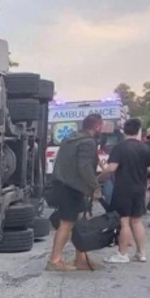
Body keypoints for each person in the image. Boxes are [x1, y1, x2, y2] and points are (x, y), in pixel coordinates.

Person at [46, 114, 104, 272]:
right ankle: (55, 260)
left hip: (63, 185)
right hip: (72, 188)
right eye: (102, 126)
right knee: (66, 223)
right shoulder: (88, 142)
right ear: (97, 126)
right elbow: (84, 167)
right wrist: (95, 186)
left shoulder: (71, 138)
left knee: (80, 222)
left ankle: (81, 259)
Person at [101, 118, 150, 263]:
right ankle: (141, 253)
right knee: (137, 220)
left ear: (124, 130)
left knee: (124, 221)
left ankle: (122, 254)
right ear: (138, 130)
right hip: (139, 187)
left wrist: (99, 176)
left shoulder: (119, 147)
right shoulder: (145, 148)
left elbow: (112, 168)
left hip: (123, 188)